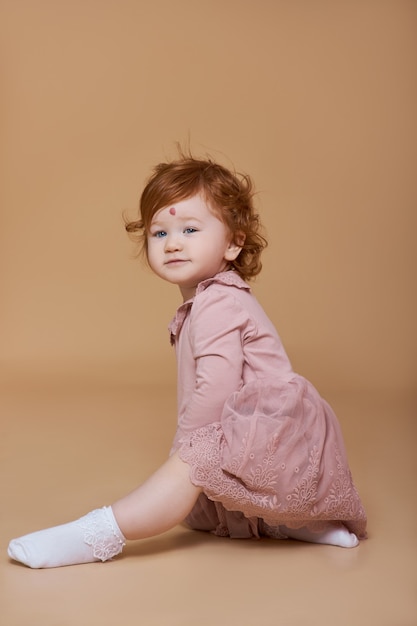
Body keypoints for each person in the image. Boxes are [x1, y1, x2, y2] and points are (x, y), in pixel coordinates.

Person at [7, 153, 367, 568]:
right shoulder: (213, 297)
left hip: (268, 434)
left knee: (180, 479)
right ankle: (292, 522)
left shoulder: (216, 303)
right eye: (159, 232)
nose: (172, 242)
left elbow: (216, 388)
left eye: (190, 229)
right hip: (263, 436)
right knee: (199, 512)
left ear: (234, 243)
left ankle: (97, 534)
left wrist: (185, 449)